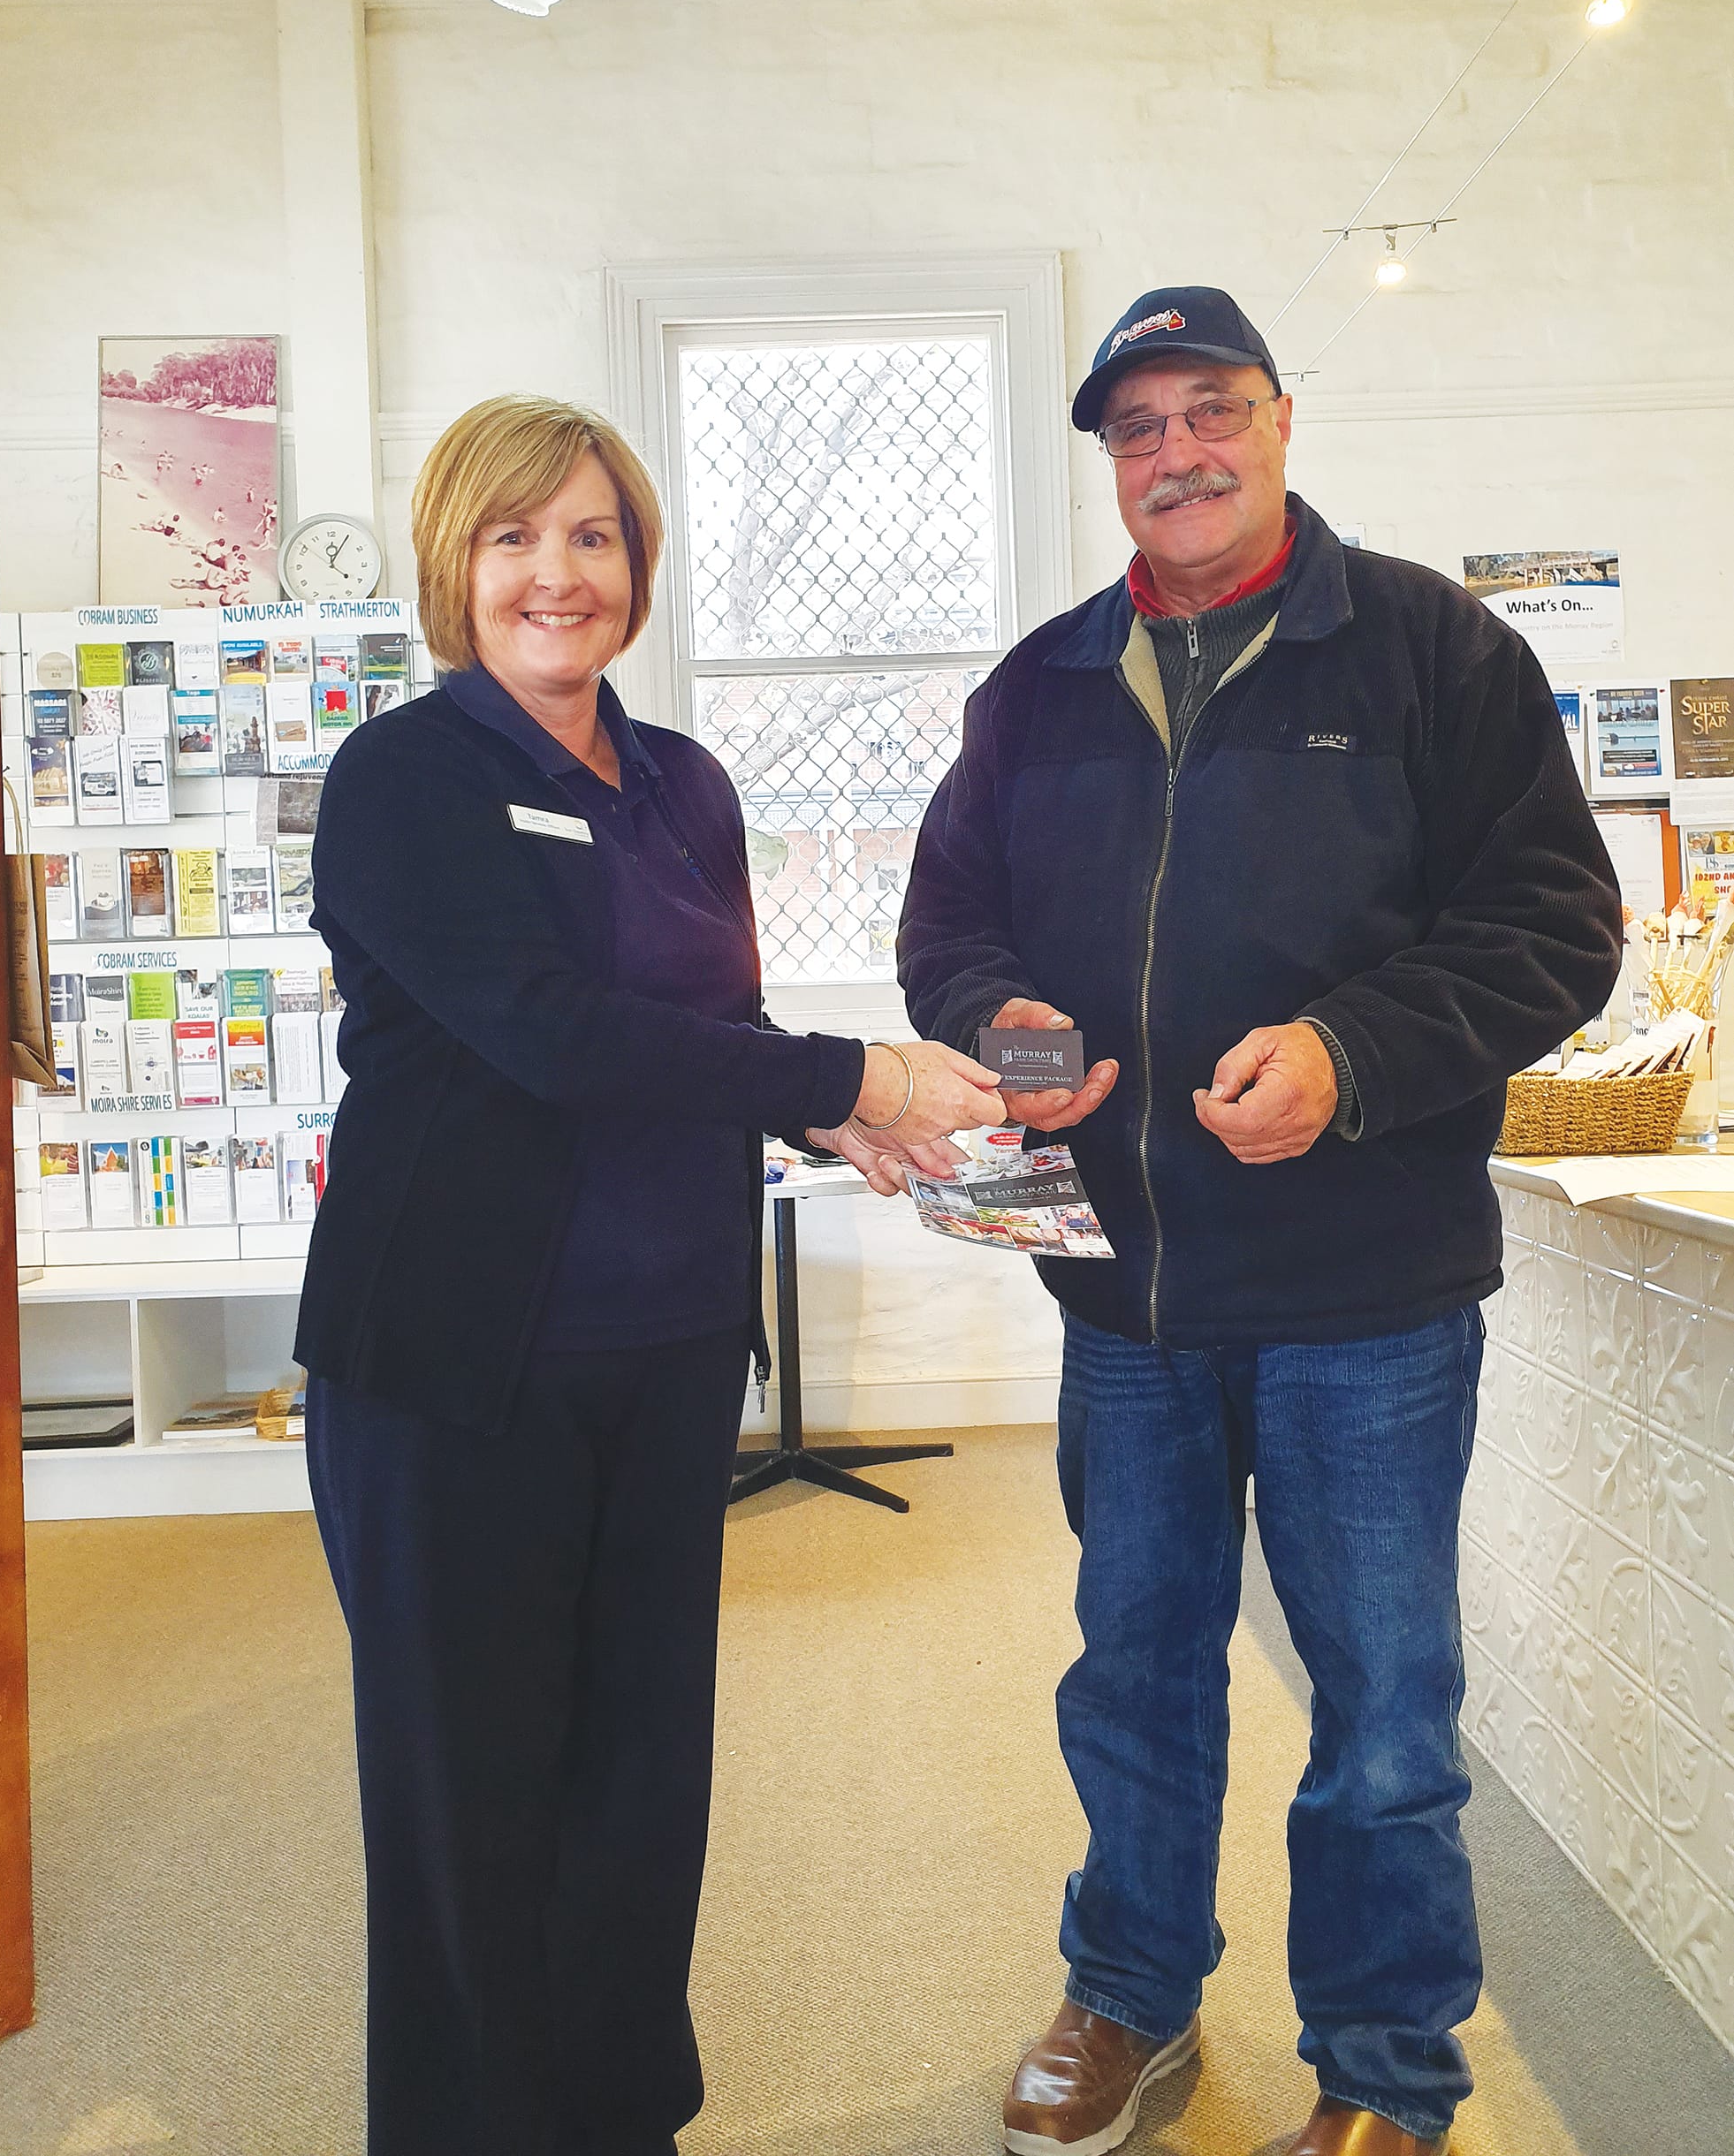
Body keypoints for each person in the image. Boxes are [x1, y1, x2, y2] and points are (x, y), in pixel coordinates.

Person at [898, 287, 1623, 2156]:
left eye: (1209, 409)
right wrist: (1001, 1023)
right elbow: (945, 929)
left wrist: (1348, 1049)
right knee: (1129, 1671)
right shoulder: (1036, 685)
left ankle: (1385, 2071)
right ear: (1110, 461)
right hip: (1117, 1295)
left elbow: (1554, 925)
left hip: (1363, 1303)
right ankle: (1130, 1996)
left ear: (1281, 421)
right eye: (1136, 428)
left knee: (1381, 1712)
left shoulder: (1430, 654)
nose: (1177, 453)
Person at [296, 393, 1004, 2156]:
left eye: (595, 534)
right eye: (513, 535)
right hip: (458, 1363)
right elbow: (546, 1033)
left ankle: (620, 2118)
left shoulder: (688, 781)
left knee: (636, 1780)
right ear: (453, 565)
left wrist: (864, 1121)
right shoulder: (404, 778)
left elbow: (713, 1032)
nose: (557, 573)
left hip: (671, 1344)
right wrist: (841, 1077)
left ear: (641, 564)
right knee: (472, 1797)